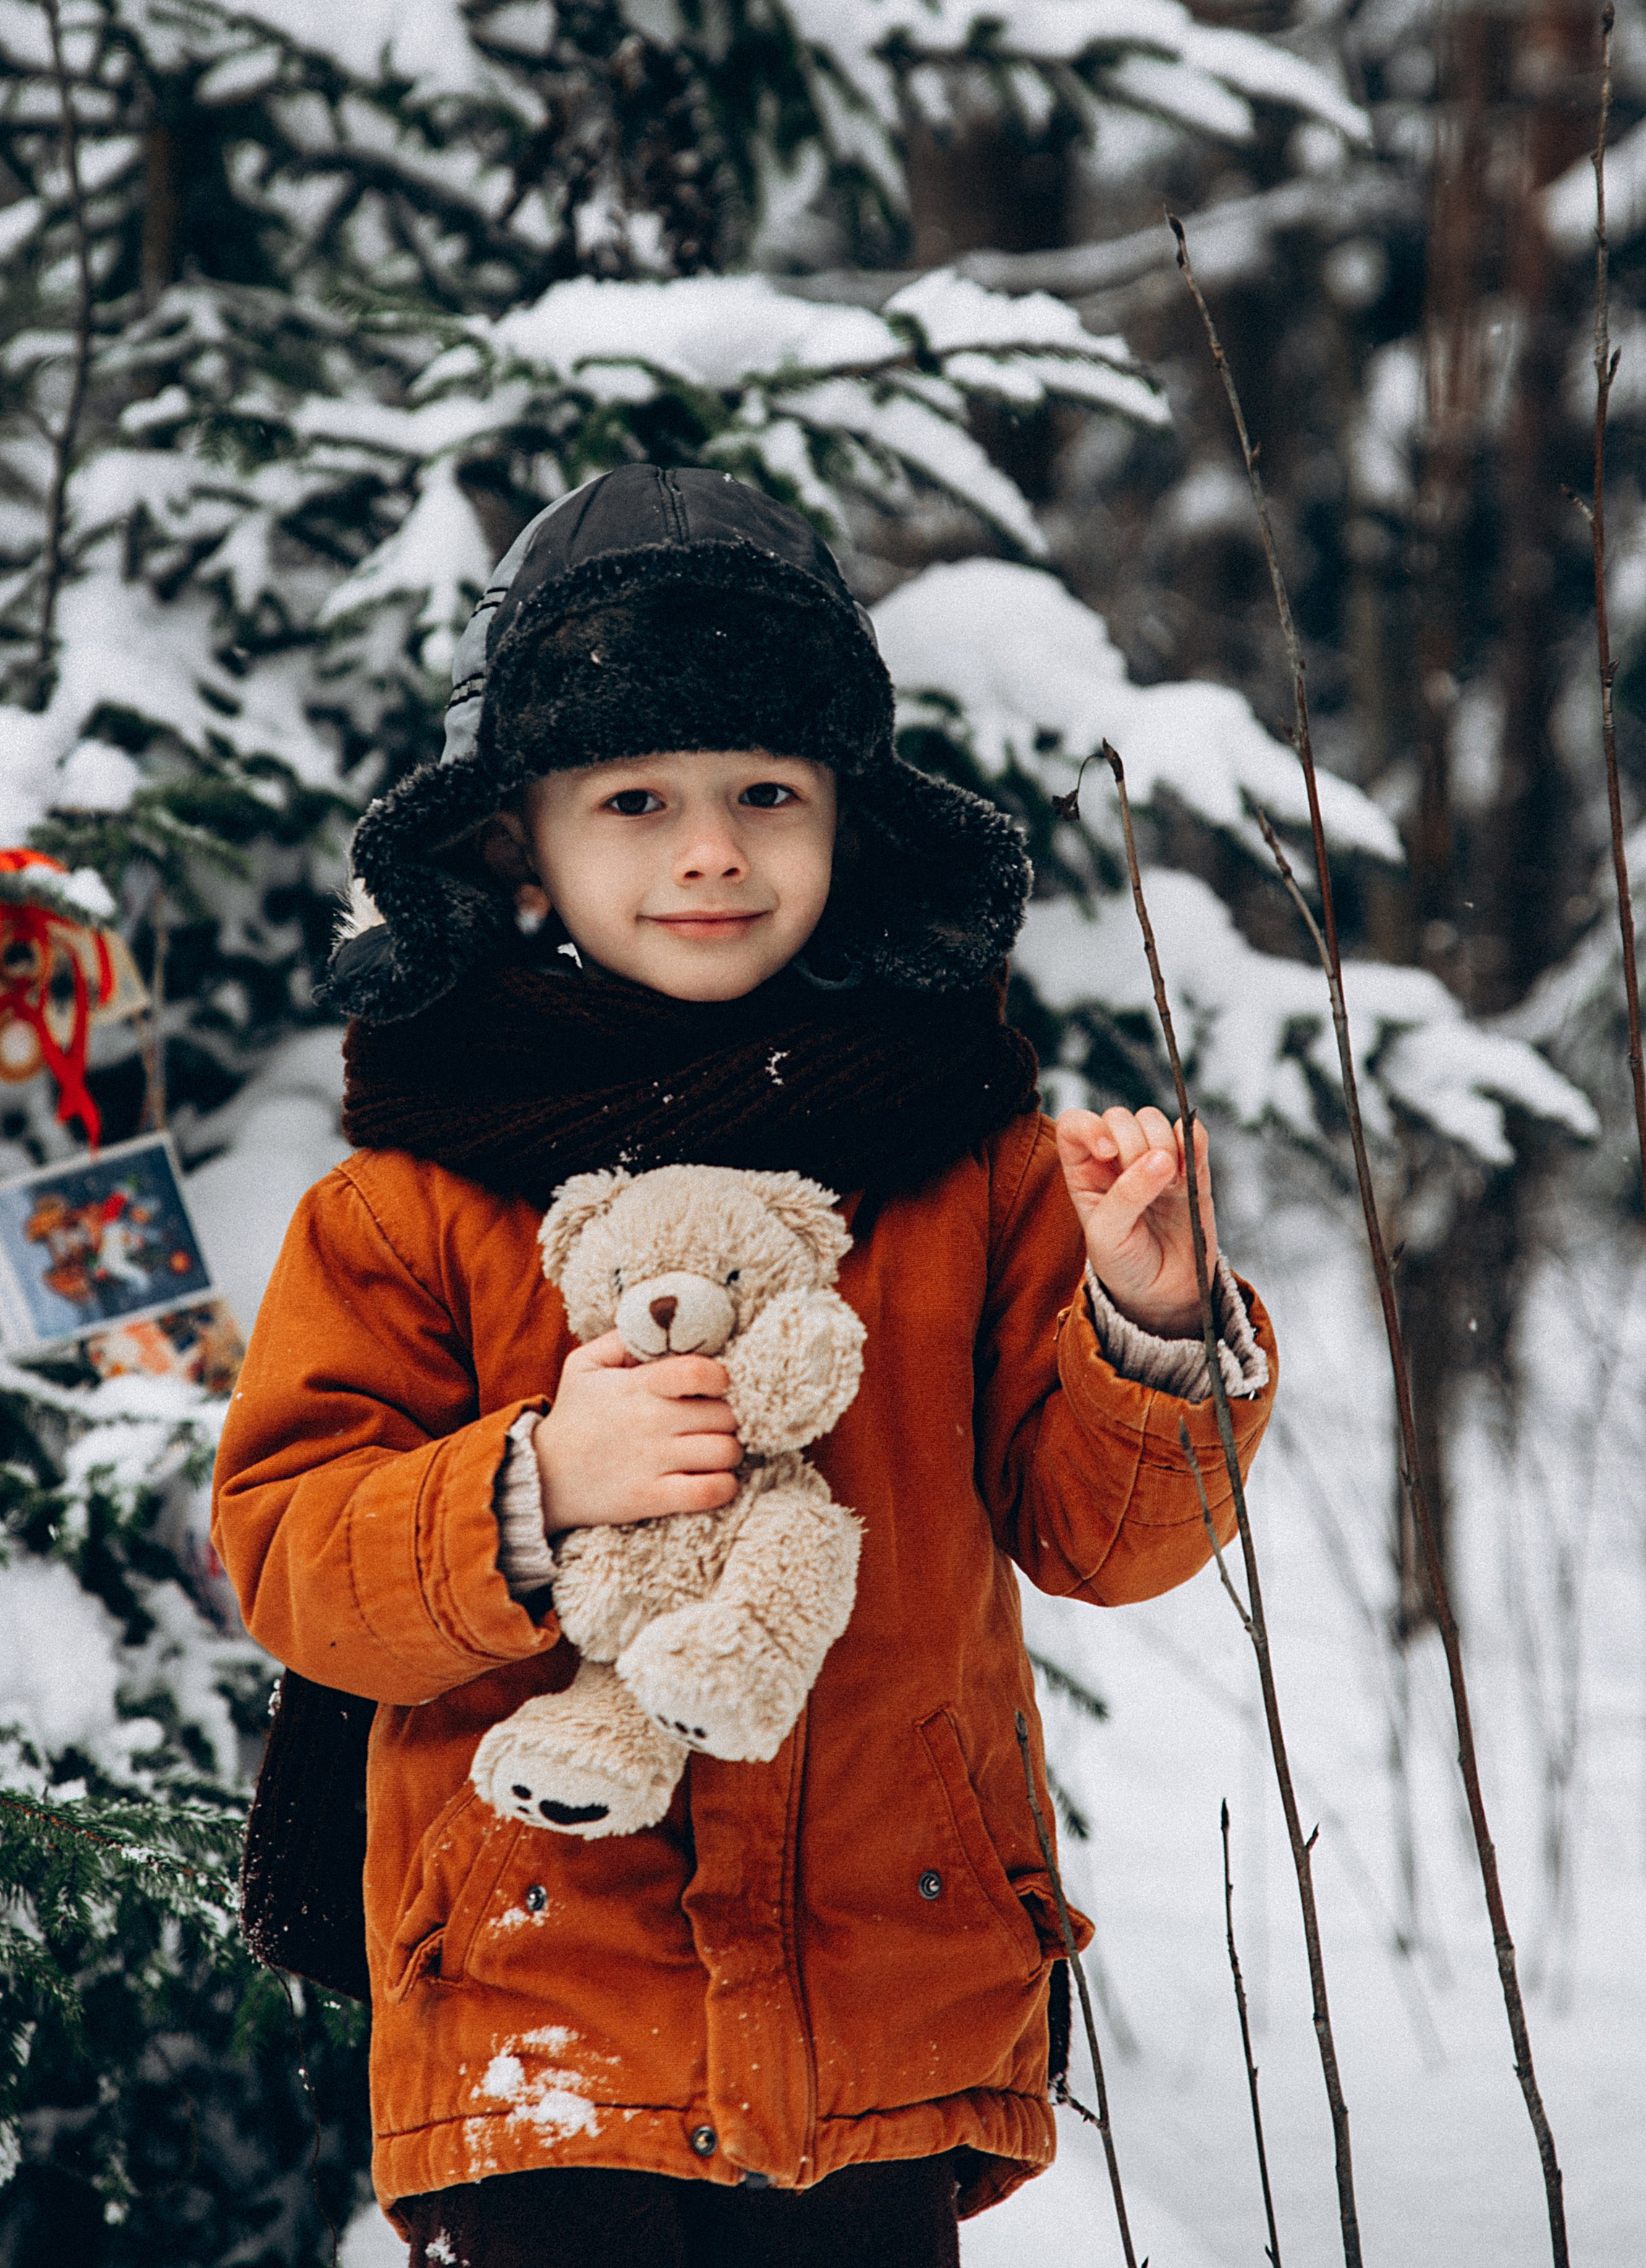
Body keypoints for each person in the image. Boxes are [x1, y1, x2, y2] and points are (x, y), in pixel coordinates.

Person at [211, 465, 1276, 2268]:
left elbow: (1107, 1545)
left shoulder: (967, 1161)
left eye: (765, 793)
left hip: (891, 1988)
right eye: (634, 797)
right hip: (538, 2004)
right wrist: (531, 1488)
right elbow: (295, 1565)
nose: (709, 848)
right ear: (515, 844)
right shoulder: (407, 1199)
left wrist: (1148, 1325)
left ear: (848, 822)